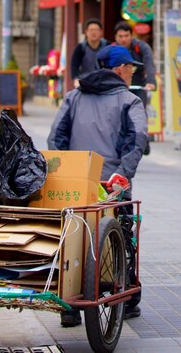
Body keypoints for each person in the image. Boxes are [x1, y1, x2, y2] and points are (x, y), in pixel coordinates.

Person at [48, 44, 147, 326]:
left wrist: (67, 171)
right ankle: (126, 299)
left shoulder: (73, 96)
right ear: (118, 70)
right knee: (123, 237)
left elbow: (56, 138)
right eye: (129, 67)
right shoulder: (131, 101)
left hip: (77, 182)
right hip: (113, 183)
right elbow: (137, 139)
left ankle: (68, 305)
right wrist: (123, 175)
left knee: (71, 239)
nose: (131, 72)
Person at [113, 22, 156, 154]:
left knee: (139, 112)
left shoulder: (141, 47)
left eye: (126, 36)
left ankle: (143, 138)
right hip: (118, 85)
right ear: (115, 37)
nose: (123, 39)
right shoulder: (112, 49)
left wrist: (150, 81)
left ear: (132, 36)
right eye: (120, 36)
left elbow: (149, 64)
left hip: (138, 85)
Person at [70, 19, 108, 87]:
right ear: (86, 32)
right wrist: (76, 79)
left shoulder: (107, 46)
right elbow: (74, 65)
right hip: (85, 81)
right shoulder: (81, 47)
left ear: (101, 32)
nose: (93, 32)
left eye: (96, 30)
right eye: (91, 30)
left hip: (104, 81)